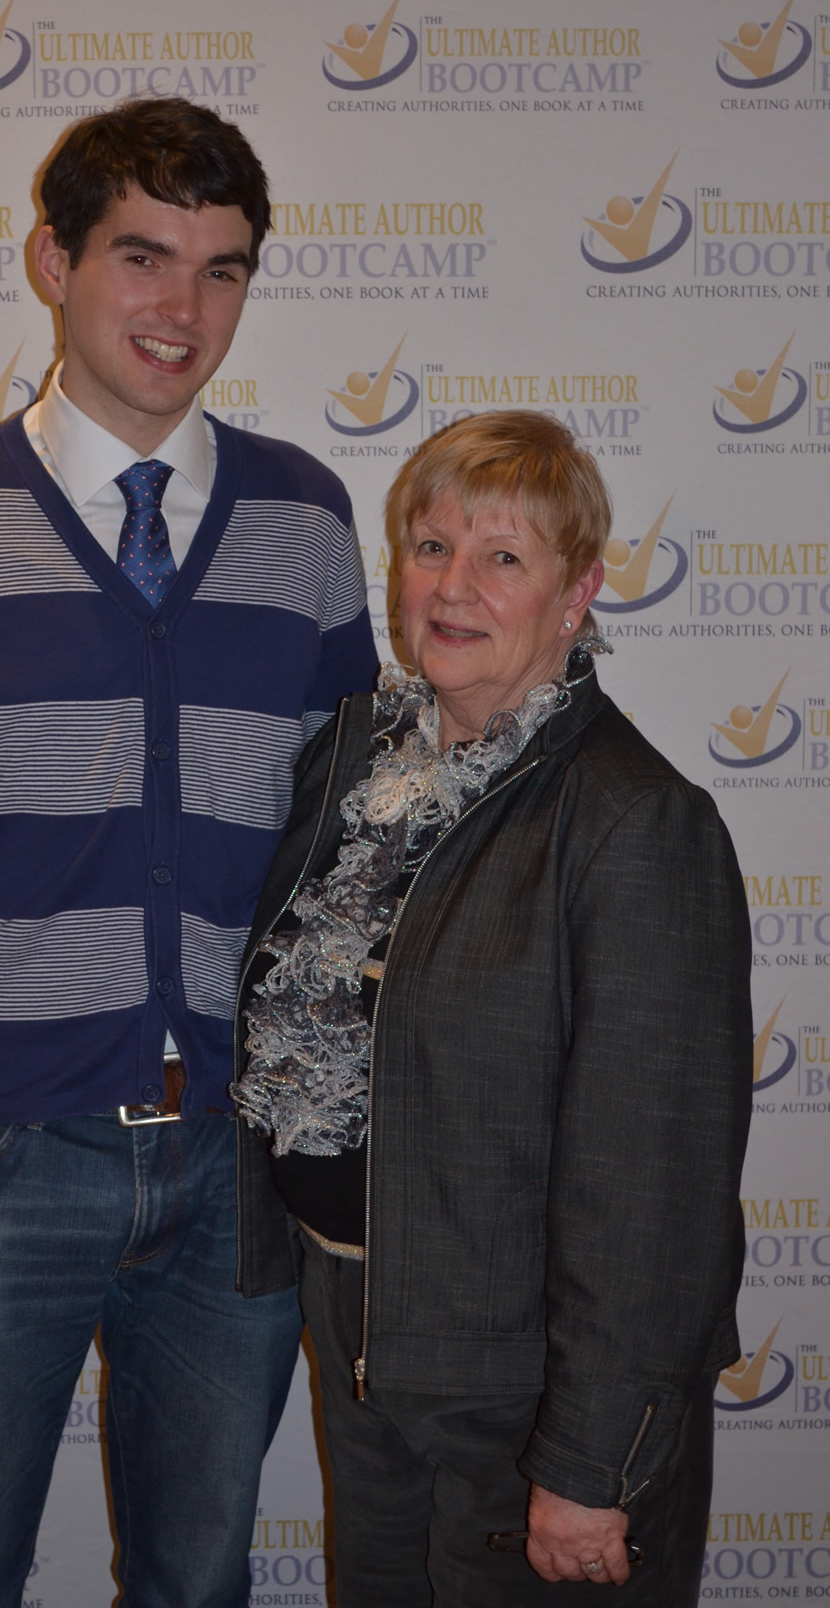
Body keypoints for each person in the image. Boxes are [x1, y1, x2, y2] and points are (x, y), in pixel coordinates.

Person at [0, 96, 378, 1608]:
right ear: (54, 261)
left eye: (222, 270)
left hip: (237, 1160)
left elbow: (347, 843)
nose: (182, 310)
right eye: (142, 257)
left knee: (197, 1578)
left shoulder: (305, 521)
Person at [232, 410, 751, 1607]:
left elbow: (654, 1189)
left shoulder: (633, 820)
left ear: (576, 593)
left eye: (502, 556)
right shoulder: (358, 772)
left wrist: (589, 1462)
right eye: (431, 546)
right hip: (365, 1339)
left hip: (526, 1391)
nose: (452, 585)